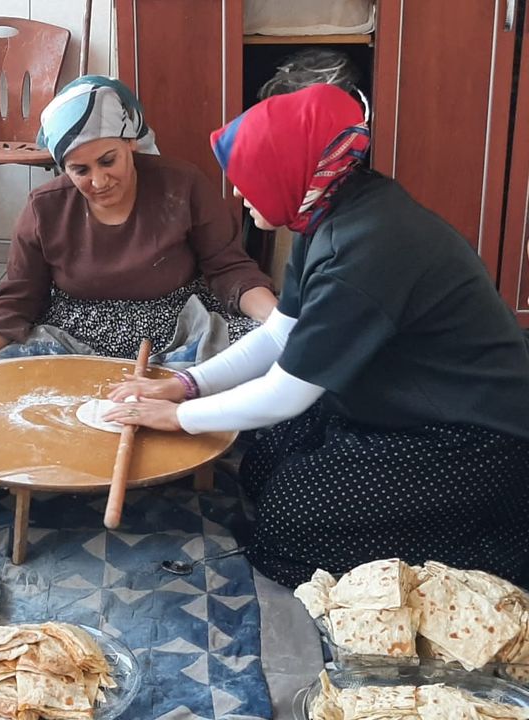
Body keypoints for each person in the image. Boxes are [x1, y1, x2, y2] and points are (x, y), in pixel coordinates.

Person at [106, 84, 529, 588]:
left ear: (287, 169)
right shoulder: (328, 213)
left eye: (248, 179)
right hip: (401, 401)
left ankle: (485, 538)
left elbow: (288, 390)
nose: (239, 194)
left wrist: (178, 418)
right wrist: (185, 385)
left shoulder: (364, 248)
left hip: (474, 437)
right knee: (262, 465)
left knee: (288, 522)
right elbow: (279, 336)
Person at [0, 76, 277, 375]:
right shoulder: (45, 209)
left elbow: (230, 270)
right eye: (81, 170)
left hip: (180, 331)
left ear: (131, 143)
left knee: (270, 359)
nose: (99, 181)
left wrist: (279, 323)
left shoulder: (182, 185)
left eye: (108, 161)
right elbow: (19, 298)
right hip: (74, 337)